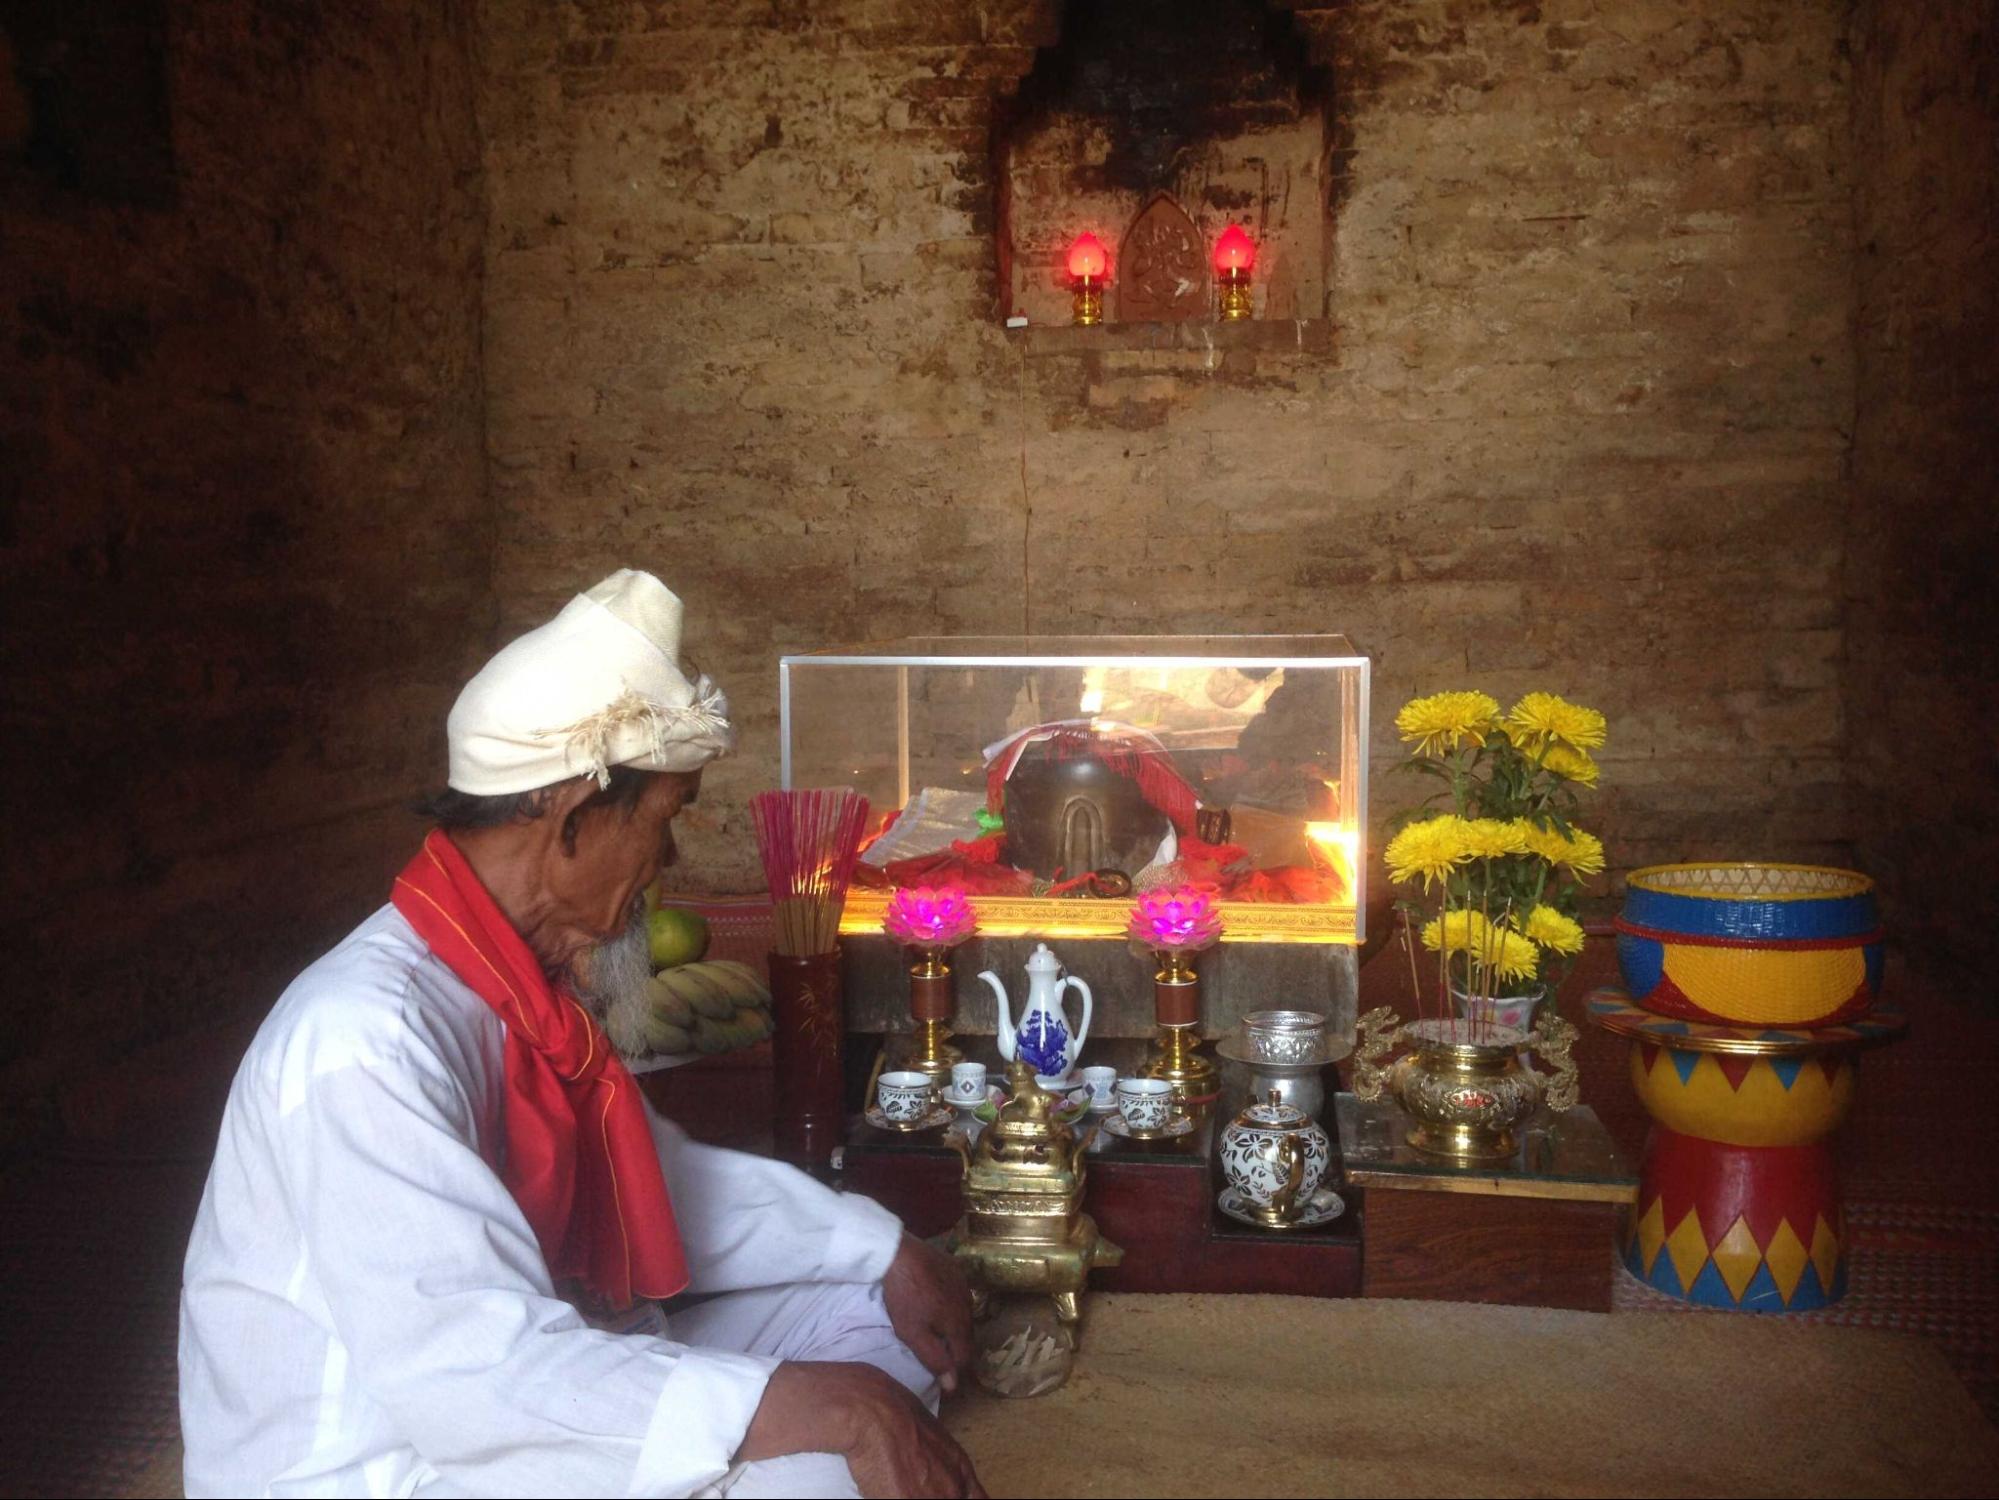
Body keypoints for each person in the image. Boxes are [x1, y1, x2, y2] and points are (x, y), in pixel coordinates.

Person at [179, 570, 986, 1499]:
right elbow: (476, 1381)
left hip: (526, 1375)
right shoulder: (366, 1040)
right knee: (837, 1455)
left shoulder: (513, 986)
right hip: (391, 1464)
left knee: (878, 1324)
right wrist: (841, 1413)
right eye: (665, 819)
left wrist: (882, 1249)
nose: (667, 859)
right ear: (570, 817)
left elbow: (660, 1182)